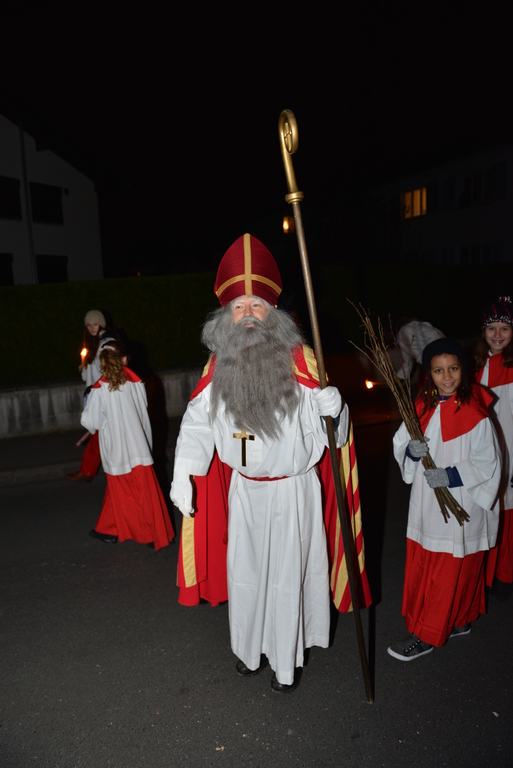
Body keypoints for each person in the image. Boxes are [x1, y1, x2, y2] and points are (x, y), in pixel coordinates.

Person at [170, 233, 371, 693]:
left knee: (287, 577)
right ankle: (249, 650)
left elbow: (335, 437)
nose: (247, 314)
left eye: (256, 306)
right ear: (225, 316)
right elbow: (197, 424)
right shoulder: (217, 367)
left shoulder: (304, 362)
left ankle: (286, 662)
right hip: (245, 492)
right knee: (246, 575)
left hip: (294, 493)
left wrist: (336, 409)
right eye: (238, 307)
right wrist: (184, 472)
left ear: (272, 312)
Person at [388, 338, 501, 661]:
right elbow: (401, 443)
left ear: (463, 370)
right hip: (428, 502)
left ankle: (427, 634)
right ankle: (459, 619)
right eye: (438, 371)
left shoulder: (474, 411)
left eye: (453, 368)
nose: (447, 376)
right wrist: (411, 452)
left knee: (450, 568)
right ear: (429, 374)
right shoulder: (421, 407)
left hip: (462, 501)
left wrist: (450, 476)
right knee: (434, 564)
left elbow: (487, 461)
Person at [81, 339, 174, 550]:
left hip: (116, 450)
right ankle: (110, 529)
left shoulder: (99, 388)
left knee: (124, 493)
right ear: (124, 359)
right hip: (138, 446)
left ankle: (147, 533)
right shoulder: (136, 381)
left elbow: (91, 422)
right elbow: (142, 408)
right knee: (142, 492)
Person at [475, 296, 513, 599]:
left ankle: (505, 576)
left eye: (505, 328)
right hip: (488, 452)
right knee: (489, 512)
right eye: (491, 328)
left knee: (508, 515)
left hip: (511, 450)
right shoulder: (477, 366)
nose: (497, 334)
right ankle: (487, 576)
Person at [67, 310, 116, 483]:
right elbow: (87, 377)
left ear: (101, 324)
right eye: (88, 325)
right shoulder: (92, 345)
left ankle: (89, 471)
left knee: (99, 434)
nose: (92, 327)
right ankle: (88, 471)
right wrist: (83, 366)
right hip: (93, 395)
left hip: (102, 395)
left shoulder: (106, 343)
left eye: (95, 323)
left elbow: (109, 372)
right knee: (98, 434)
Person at [394, 317, 445, 393]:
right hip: (444, 357)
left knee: (431, 391)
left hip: (434, 363)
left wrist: (396, 379)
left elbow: (409, 360)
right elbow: (408, 361)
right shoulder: (420, 326)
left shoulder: (404, 331)